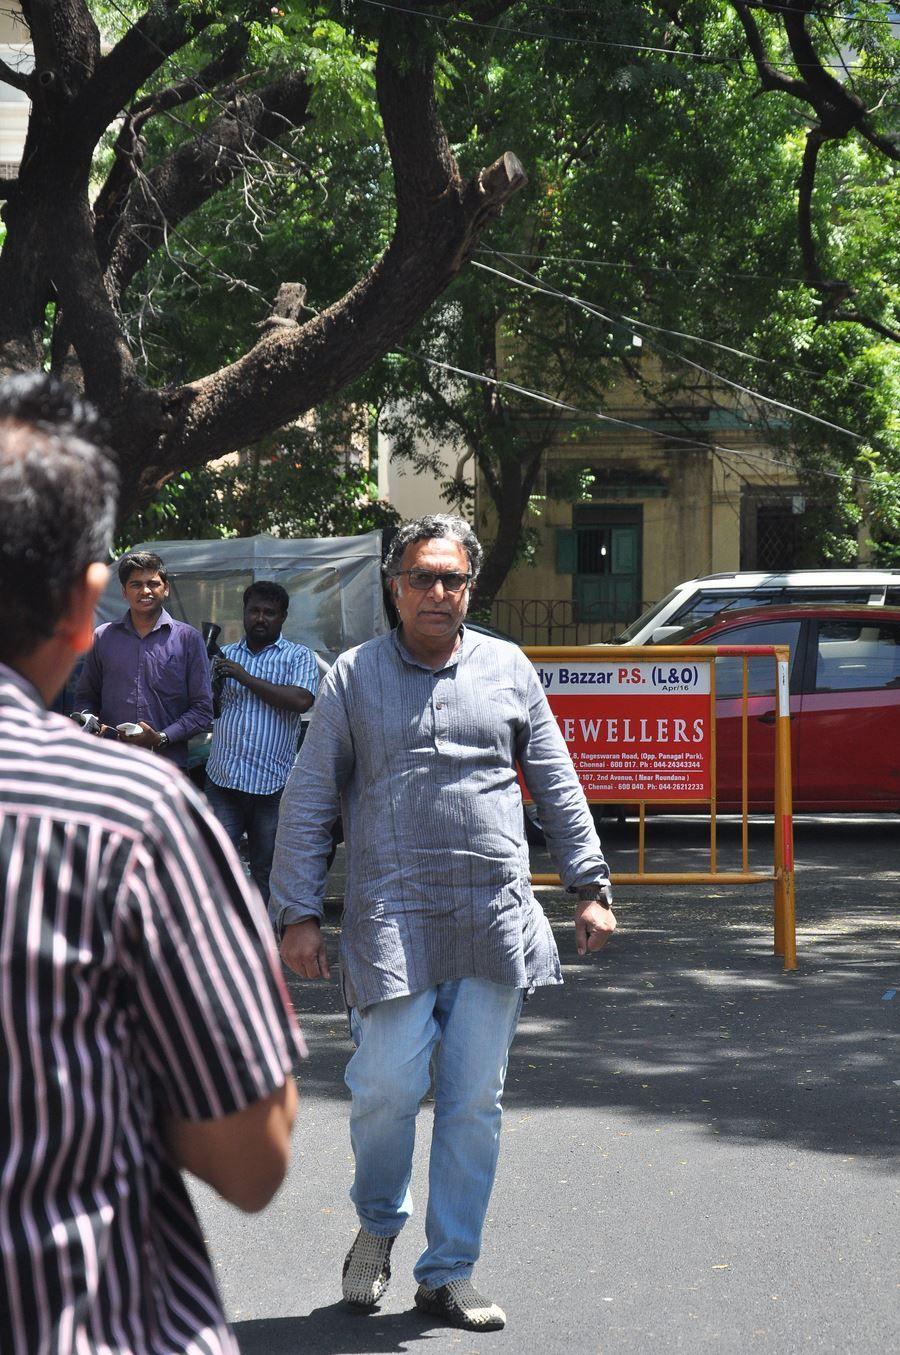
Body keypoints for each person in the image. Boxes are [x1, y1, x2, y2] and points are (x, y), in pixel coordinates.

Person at [0, 372, 304, 1355]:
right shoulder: (127, 824)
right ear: (89, 601)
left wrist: (159, 732)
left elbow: (205, 713)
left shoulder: (187, 668)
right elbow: (252, 1156)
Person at [269, 512, 615, 1332]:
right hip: (391, 918)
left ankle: (448, 1268)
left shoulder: (508, 667)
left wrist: (589, 883)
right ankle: (379, 1221)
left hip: (492, 915)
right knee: (384, 1087)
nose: (436, 591)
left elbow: (557, 782)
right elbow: (311, 798)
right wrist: (297, 912)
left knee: (473, 1103)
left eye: (451, 578)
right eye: (421, 576)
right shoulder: (352, 676)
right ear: (394, 587)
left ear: (469, 588)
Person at [204, 581, 318, 902]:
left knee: (267, 869)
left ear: (283, 617)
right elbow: (210, 710)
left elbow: (300, 700)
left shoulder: (298, 657)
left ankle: (265, 945)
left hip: (271, 788)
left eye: (269, 613)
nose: (260, 618)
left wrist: (244, 677)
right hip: (223, 780)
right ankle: (222, 940)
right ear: (244, 613)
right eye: (254, 611)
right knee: (215, 866)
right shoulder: (224, 654)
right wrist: (208, 685)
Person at [73, 549, 213, 768]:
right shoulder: (103, 636)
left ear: (165, 588)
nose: (145, 590)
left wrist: (161, 738)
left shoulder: (188, 639)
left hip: (166, 767)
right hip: (111, 763)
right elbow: (86, 697)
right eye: (136, 584)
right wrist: (91, 723)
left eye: (153, 583)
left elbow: (202, 710)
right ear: (124, 592)